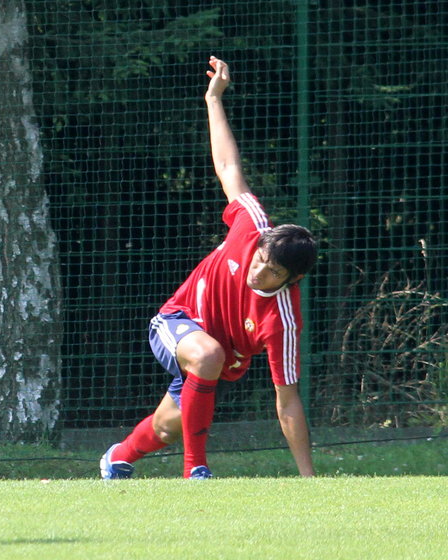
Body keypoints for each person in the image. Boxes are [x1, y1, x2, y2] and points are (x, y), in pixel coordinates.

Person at [100, 57, 317, 480]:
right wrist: (214, 98)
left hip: (212, 361)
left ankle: (117, 457)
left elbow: (287, 399)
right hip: (177, 321)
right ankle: (195, 471)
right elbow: (229, 168)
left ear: (295, 281)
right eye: (261, 260)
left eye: (273, 273)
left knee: (166, 427)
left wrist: (308, 480)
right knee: (208, 353)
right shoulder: (251, 224)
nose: (258, 272)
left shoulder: (284, 321)